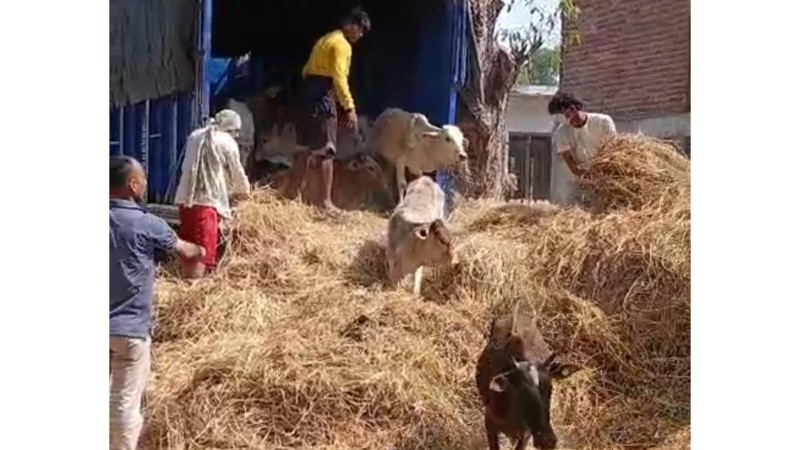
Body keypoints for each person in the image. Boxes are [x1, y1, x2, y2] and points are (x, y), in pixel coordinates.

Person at [109, 156, 205, 450]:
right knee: (125, 404)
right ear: (133, 185)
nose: (147, 185)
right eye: (144, 180)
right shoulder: (148, 224)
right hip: (130, 328)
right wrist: (201, 249)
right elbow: (185, 251)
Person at [285, 6, 371, 214]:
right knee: (327, 150)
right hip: (321, 95)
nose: (360, 35)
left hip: (306, 94)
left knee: (304, 148)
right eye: (360, 30)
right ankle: (326, 203)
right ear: (351, 25)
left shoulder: (326, 39)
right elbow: (339, 78)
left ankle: (290, 194)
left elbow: (306, 70)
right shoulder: (342, 45)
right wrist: (349, 107)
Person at [174, 109, 251, 278]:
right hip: (207, 204)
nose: (237, 136)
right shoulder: (227, 142)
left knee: (189, 248)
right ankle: (195, 290)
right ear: (230, 129)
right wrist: (245, 193)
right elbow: (237, 173)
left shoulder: (194, 136)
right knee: (203, 253)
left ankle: (186, 282)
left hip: (184, 201)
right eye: (236, 131)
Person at [548, 92, 617, 207]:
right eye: (565, 117)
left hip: (607, 177)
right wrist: (586, 175)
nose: (570, 120)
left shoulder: (603, 122)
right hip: (580, 182)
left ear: (575, 108)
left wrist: (600, 172)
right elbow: (571, 164)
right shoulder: (562, 132)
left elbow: (612, 152)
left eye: (569, 114)